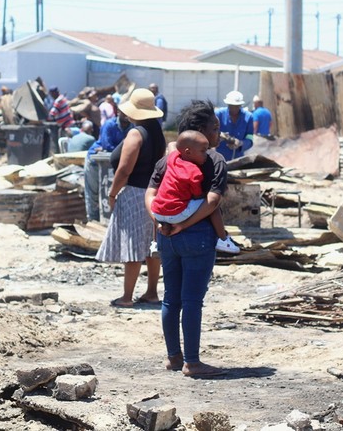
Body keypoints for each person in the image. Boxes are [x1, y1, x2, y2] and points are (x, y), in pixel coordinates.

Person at [145, 99, 229, 378]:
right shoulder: (215, 160)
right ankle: (192, 363)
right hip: (197, 238)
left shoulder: (168, 159)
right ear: (199, 133)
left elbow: (151, 195)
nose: (218, 134)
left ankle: (173, 357)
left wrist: (162, 222)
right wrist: (184, 224)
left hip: (166, 237)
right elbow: (213, 201)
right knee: (192, 300)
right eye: (214, 129)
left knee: (171, 299)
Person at [96, 88, 166, 308]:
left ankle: (127, 297)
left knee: (133, 246)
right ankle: (152, 292)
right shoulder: (157, 133)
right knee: (151, 245)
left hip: (135, 193)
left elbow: (124, 170)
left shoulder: (136, 134)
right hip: (154, 193)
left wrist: (112, 193)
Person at [150, 130, 239, 253]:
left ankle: (155, 243)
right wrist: (206, 194)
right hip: (177, 214)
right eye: (203, 151)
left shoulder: (171, 159)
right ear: (188, 152)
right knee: (212, 202)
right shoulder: (194, 172)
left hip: (158, 213)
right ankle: (222, 239)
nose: (206, 155)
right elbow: (198, 195)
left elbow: (172, 145)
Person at [84, 112, 131, 222]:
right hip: (95, 162)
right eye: (124, 112)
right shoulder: (109, 125)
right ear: (119, 112)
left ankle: (107, 222)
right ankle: (93, 221)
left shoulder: (132, 127)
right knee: (93, 194)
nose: (126, 115)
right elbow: (107, 145)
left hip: (113, 164)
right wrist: (125, 146)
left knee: (109, 193)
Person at [215, 90, 254, 160]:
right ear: (227, 104)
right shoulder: (218, 115)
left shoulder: (248, 117)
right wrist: (220, 135)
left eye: (236, 106)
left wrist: (241, 143)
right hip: (220, 158)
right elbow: (210, 132)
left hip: (238, 159)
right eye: (231, 106)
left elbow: (250, 138)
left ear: (240, 105)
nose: (233, 109)